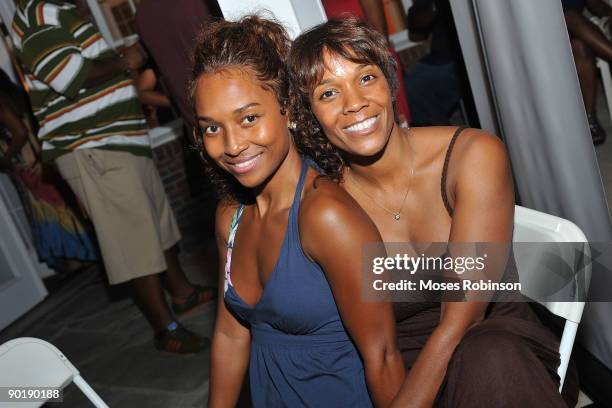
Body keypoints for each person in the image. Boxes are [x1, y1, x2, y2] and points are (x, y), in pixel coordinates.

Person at [289, 18, 578, 407]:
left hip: (501, 349)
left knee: (488, 355)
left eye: (366, 78)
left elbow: (464, 317)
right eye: (328, 93)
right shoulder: (327, 206)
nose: (354, 103)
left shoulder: (471, 156)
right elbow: (375, 353)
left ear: (390, 83)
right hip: (406, 372)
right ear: (311, 116)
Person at [191, 16, 404, 407]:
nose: (233, 144)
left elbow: (384, 356)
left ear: (287, 106)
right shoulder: (231, 218)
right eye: (211, 128)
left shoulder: (325, 216)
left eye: (249, 118)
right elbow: (231, 334)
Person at [11, 0, 213, 353]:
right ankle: (165, 328)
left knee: (156, 226)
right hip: (92, 145)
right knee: (133, 241)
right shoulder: (37, 12)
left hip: (119, 139)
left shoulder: (60, 12)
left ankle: (182, 293)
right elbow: (69, 74)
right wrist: (125, 60)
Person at [0, 70, 97, 271]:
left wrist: (5, 159)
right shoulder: (16, 96)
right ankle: (79, 258)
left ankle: (81, 256)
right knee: (60, 207)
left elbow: (19, 131)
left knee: (55, 210)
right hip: (37, 160)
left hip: (30, 163)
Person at [322, 0, 412, 126]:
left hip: (373, 65)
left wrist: (382, 74)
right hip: (341, 73)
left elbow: (378, 34)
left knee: (395, 127)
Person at [561, 0, 612, 144]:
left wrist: (609, 13)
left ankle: (590, 118)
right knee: (569, 15)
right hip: (546, 36)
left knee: (581, 46)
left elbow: (593, 3)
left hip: (576, 34)